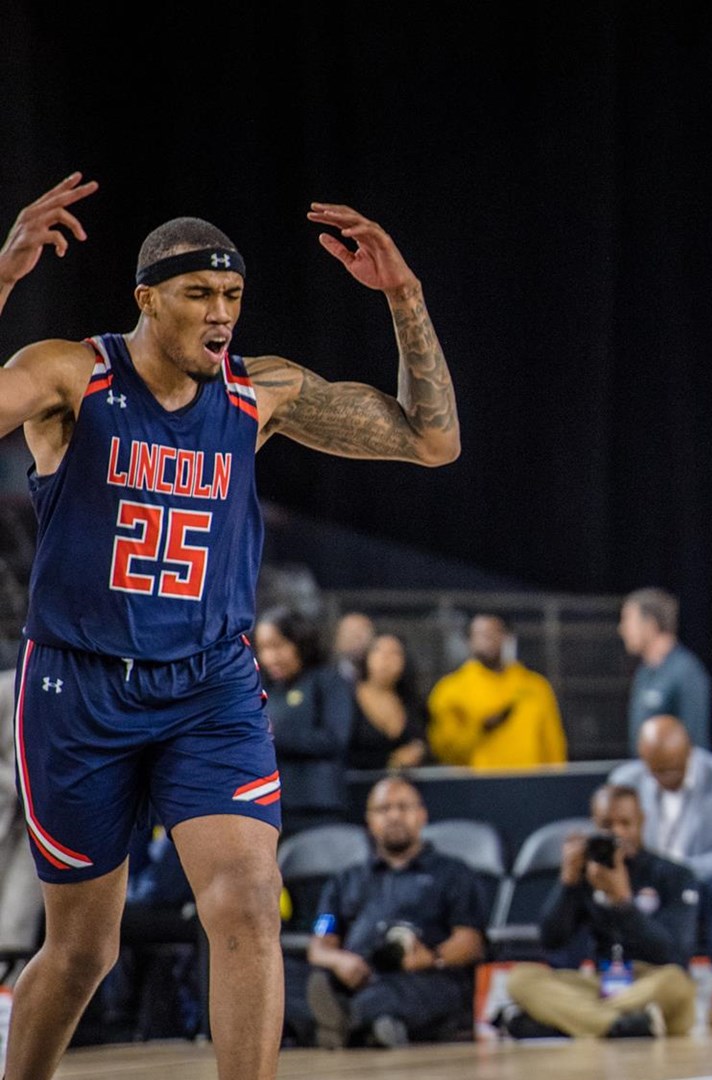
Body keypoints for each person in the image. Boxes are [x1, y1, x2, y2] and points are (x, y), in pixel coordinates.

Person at [0, 175, 459, 1080]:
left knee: (250, 900)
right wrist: (3, 277)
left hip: (209, 684)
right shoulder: (73, 376)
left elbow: (430, 439)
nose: (221, 315)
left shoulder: (260, 393)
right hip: (80, 686)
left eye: (233, 297)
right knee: (85, 951)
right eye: (200, 295)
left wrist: (405, 297)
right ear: (147, 300)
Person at [608, 715, 712, 1025]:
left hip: (707, 879)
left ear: (688, 753)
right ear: (644, 761)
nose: (665, 777)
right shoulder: (625, 782)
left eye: (672, 768)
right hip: (650, 884)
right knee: (619, 892)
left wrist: (673, 873)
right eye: (656, 770)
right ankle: (628, 992)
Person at [503, 784, 699, 1038]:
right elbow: (551, 940)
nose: (617, 832)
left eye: (625, 823)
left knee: (676, 983)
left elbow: (675, 954)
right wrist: (568, 883)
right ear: (594, 824)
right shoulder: (586, 873)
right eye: (607, 825)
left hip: (653, 984)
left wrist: (623, 903)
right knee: (521, 978)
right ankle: (619, 1025)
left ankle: (576, 1020)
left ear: (642, 821)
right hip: (602, 982)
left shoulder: (674, 875)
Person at [306, 777, 487, 1048]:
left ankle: (343, 1022)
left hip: (420, 976)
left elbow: (471, 942)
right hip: (357, 975)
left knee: (415, 994)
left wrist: (433, 957)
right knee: (286, 980)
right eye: (383, 809)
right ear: (369, 820)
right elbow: (319, 944)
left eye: (403, 807)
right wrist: (339, 962)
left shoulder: (453, 874)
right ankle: (370, 1025)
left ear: (422, 815)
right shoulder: (344, 881)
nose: (394, 816)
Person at [255, 607, 355, 836]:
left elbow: (334, 739)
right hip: (270, 807)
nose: (270, 657)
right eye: (263, 649)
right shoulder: (262, 688)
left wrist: (271, 735)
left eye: (278, 645)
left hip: (317, 808)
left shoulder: (328, 680)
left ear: (300, 642)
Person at [426, 613, 567, 769]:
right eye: (481, 634)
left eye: (495, 632)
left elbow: (553, 744)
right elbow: (443, 749)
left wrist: (556, 780)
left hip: (530, 783)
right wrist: (479, 729)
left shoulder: (535, 685)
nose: (489, 639)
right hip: (477, 786)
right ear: (469, 640)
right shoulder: (450, 690)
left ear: (507, 637)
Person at [620, 587, 712, 752]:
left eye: (628, 620)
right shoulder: (644, 672)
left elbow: (695, 743)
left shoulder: (686, 672)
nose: (622, 629)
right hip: (644, 773)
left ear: (650, 624)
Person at [348, 633, 428, 771]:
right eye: (378, 650)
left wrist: (418, 750)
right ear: (366, 657)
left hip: (405, 786)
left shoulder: (411, 702)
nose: (386, 658)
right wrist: (392, 761)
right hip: (358, 784)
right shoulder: (347, 698)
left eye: (394, 653)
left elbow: (423, 739)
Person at [331, 612, 375, 684]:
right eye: (351, 633)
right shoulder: (319, 681)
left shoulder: (379, 678)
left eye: (363, 634)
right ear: (337, 639)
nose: (357, 640)